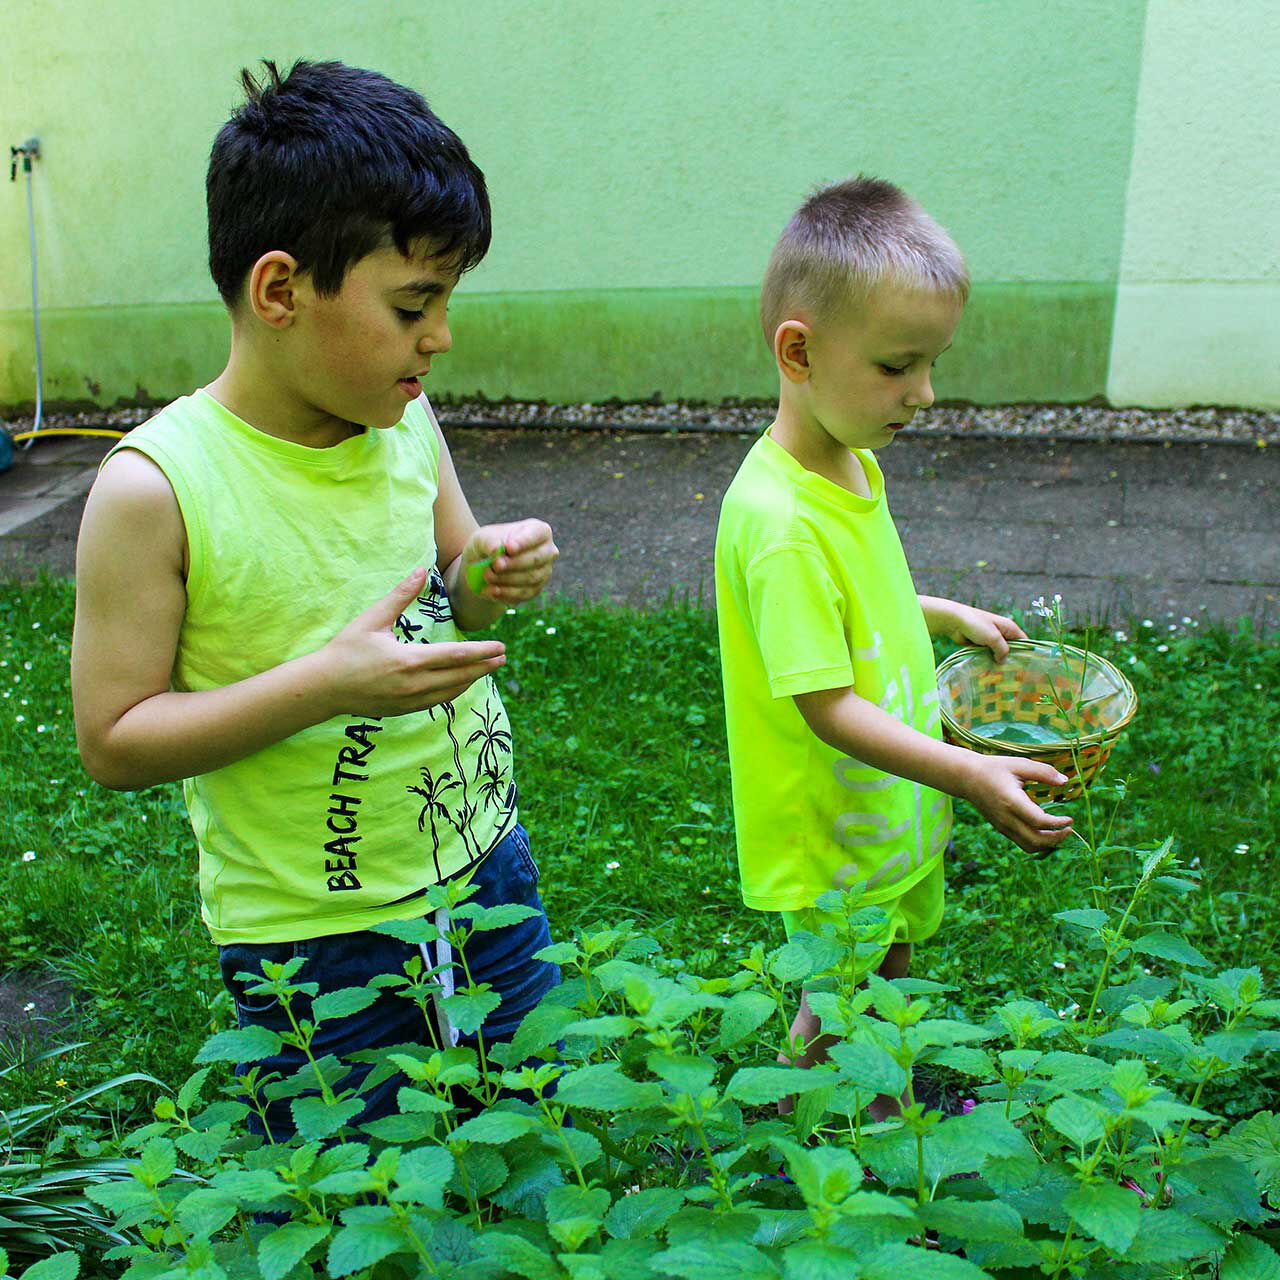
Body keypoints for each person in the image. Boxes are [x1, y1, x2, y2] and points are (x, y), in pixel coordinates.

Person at [70, 60, 560, 1137]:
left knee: (530, 1141)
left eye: (445, 302)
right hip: (312, 937)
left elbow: (452, 589)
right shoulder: (159, 489)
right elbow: (113, 737)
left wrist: (488, 569)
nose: (439, 336)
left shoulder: (403, 421)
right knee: (363, 1202)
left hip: (484, 864)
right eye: (412, 304)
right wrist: (327, 684)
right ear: (281, 290)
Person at [714, 176, 1073, 1112]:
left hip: (886, 816)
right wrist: (965, 773)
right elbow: (825, 704)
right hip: (835, 831)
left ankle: (883, 1108)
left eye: (931, 363)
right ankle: (813, 1139)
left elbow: (859, 600)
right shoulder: (780, 521)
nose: (924, 393)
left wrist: (939, 612)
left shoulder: (851, 463)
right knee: (837, 999)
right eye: (896, 366)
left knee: (892, 970)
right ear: (799, 350)